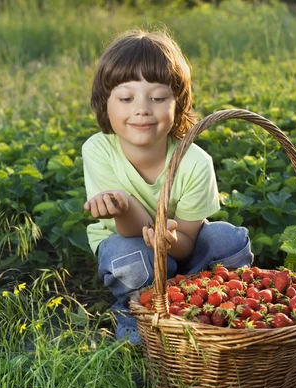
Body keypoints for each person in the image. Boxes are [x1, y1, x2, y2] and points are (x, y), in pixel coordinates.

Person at [82, 29, 253, 345]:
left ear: (179, 103)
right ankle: (135, 308)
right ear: (105, 103)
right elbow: (128, 232)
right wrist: (123, 207)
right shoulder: (98, 150)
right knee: (129, 256)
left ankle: (199, 299)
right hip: (131, 246)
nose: (142, 109)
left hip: (181, 254)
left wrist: (169, 242)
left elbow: (188, 241)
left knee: (226, 238)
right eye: (126, 98)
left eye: (158, 98)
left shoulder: (195, 162)